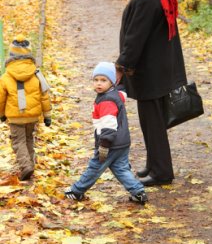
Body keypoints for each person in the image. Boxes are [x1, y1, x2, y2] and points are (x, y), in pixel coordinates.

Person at [115, 0, 187, 186]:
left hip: (149, 69)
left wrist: (122, 64)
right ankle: (154, 164)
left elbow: (135, 37)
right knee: (152, 120)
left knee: (153, 121)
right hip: (159, 66)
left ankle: (162, 171)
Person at [64, 62, 148, 204]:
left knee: (95, 167)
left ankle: (77, 191)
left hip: (110, 143)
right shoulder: (116, 94)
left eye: (103, 80)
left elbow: (109, 124)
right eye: (96, 80)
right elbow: (122, 90)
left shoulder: (106, 101)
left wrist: (104, 144)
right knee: (121, 168)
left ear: (112, 82)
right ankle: (138, 192)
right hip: (122, 142)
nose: (99, 84)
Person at [0, 34, 52, 181]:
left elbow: (1, 99)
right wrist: (47, 115)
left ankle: (25, 166)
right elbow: (44, 95)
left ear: (11, 56)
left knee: (18, 141)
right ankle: (30, 164)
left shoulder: (5, 77)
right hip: (33, 115)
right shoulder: (36, 74)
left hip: (15, 116)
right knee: (29, 139)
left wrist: (2, 114)